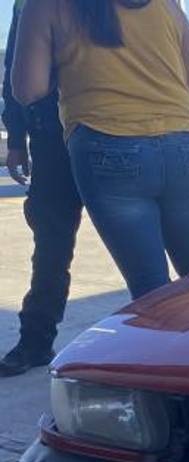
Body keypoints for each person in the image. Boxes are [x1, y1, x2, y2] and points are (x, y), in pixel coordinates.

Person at [13, 0, 189, 301]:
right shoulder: (166, 4)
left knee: (151, 291)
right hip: (185, 145)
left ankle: (168, 347)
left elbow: (28, 89)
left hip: (108, 146)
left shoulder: (45, 6)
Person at [0, 0, 84, 377]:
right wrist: (16, 137)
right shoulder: (28, 4)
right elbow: (14, 68)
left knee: (142, 239)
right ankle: (35, 341)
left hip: (108, 130)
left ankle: (175, 343)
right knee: (50, 244)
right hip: (51, 140)